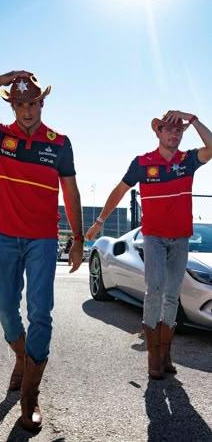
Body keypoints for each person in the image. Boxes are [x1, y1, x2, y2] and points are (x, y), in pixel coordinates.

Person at [0, 71, 84, 430]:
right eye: (19, 103)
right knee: (5, 309)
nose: (26, 110)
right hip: (4, 238)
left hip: (42, 240)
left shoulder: (59, 143)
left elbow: (70, 192)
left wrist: (79, 239)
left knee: (41, 312)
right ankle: (23, 359)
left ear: (42, 103)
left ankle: (30, 395)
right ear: (12, 104)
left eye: (32, 103)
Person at [86, 110, 212, 379]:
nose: (174, 135)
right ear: (158, 133)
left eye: (178, 131)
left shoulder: (187, 160)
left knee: (171, 294)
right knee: (154, 289)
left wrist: (193, 119)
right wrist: (99, 221)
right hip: (153, 237)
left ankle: (166, 353)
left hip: (181, 238)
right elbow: (119, 191)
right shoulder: (142, 163)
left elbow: (211, 147)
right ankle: (153, 356)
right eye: (169, 130)